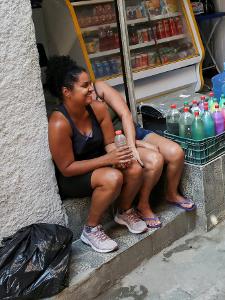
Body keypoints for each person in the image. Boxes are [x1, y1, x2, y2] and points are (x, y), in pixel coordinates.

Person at [46, 56, 147, 253]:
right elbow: (66, 169)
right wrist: (108, 160)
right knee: (113, 177)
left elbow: (109, 143)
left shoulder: (98, 109)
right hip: (73, 176)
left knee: (134, 167)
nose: (92, 89)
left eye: (90, 84)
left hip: (100, 164)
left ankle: (124, 211)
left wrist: (119, 156)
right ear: (67, 92)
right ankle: (90, 229)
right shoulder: (59, 123)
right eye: (85, 86)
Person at [92, 76, 194, 227]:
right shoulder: (78, 107)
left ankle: (172, 194)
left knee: (176, 152)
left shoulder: (98, 87)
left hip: (133, 132)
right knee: (155, 160)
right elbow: (104, 142)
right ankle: (143, 205)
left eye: (88, 83)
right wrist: (139, 145)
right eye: (83, 85)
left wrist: (134, 145)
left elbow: (125, 114)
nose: (88, 88)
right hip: (117, 144)